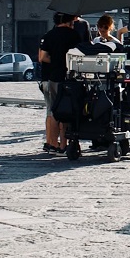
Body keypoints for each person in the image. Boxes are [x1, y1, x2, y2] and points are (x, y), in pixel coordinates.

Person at [38, 13, 81, 153]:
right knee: (66, 111)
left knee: (51, 111)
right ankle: (63, 144)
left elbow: (42, 57)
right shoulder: (74, 35)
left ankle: (51, 143)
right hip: (68, 78)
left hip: (52, 77)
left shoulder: (49, 35)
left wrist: (55, 62)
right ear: (69, 22)